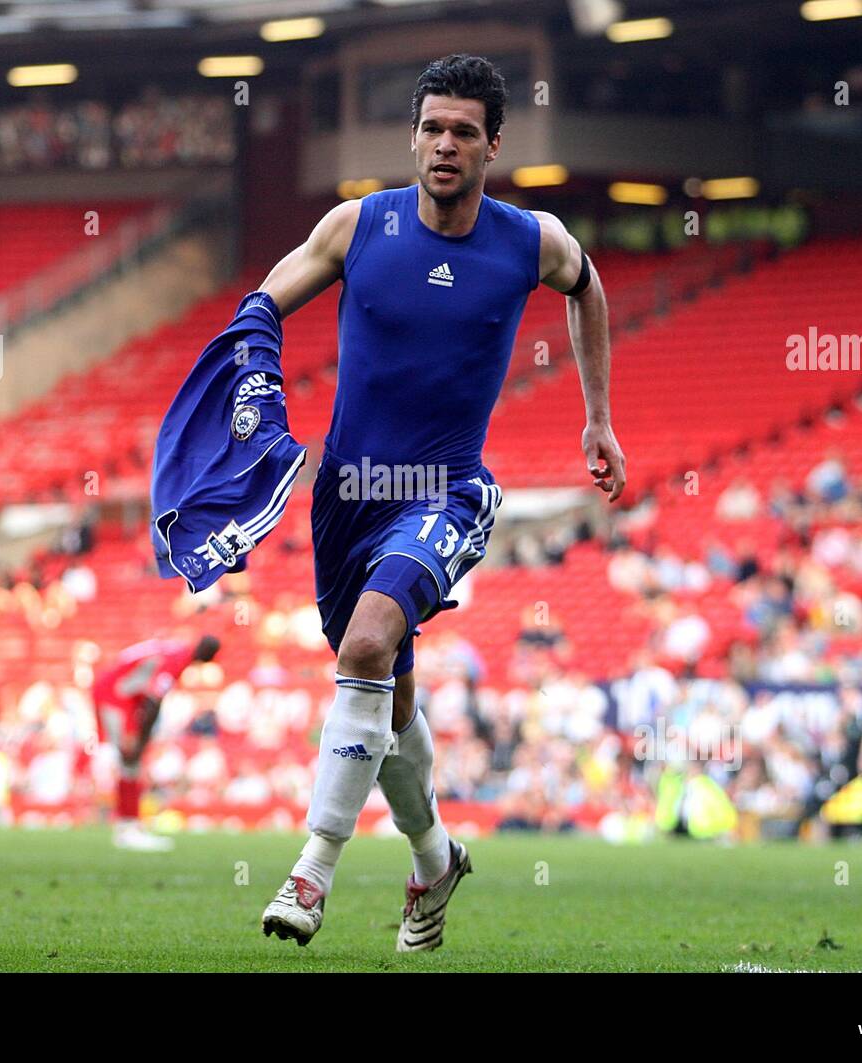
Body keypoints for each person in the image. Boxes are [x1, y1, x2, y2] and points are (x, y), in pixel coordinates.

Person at [252, 54, 626, 951]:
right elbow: (260, 308)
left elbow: (589, 288)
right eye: (431, 128)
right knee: (385, 695)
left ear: (494, 144)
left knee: (368, 642)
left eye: (463, 130)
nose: (445, 144)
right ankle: (434, 855)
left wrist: (598, 419)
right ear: (413, 138)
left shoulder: (529, 240)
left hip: (445, 489)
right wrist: (235, 396)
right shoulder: (357, 225)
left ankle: (314, 868)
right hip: (346, 495)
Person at [91, 634, 220, 850]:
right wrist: (142, 740)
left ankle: (129, 826)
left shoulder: (173, 647)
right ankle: (127, 828)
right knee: (130, 758)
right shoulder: (178, 659)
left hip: (123, 694)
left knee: (131, 762)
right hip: (116, 695)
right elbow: (153, 701)